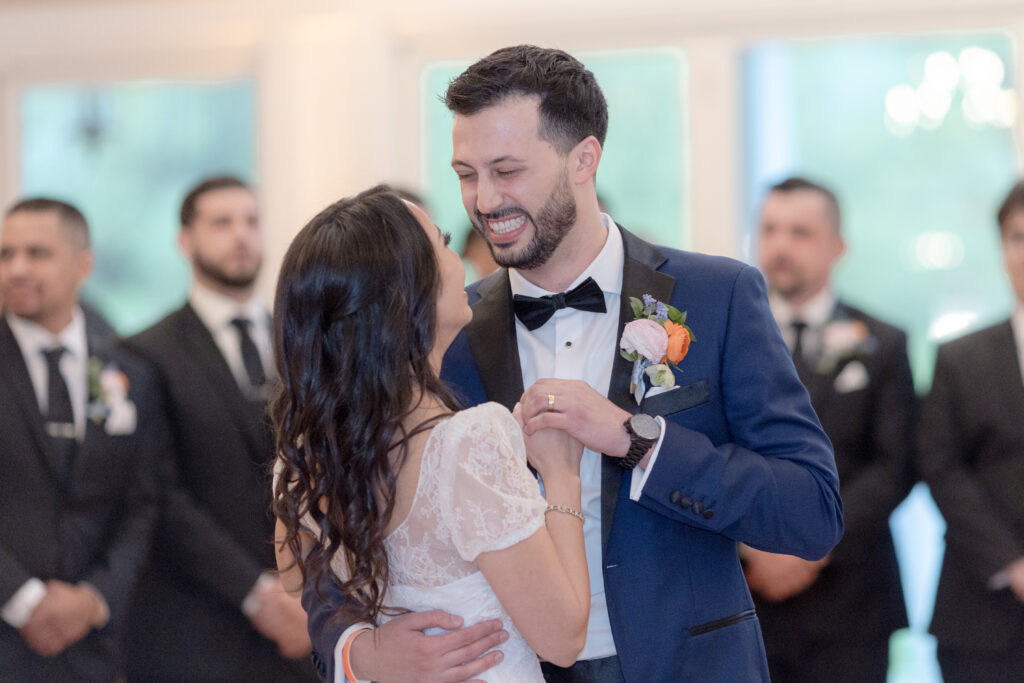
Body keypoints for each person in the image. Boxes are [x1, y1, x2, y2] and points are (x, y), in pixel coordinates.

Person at [304, 45, 843, 683]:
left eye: (507, 170)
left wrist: (635, 438)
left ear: (583, 159)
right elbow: (333, 500)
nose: (483, 200)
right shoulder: (440, 326)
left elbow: (812, 510)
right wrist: (355, 650)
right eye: (466, 174)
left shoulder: (716, 296)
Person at [272, 185, 592, 683]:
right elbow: (564, 638)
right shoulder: (467, 442)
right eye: (442, 241)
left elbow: (296, 576)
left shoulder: (310, 452)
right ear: (407, 290)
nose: (460, 253)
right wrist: (562, 474)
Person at [121, 176, 315, 681]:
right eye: (221, 223)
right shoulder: (146, 352)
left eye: (251, 221)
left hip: (308, 616)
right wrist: (258, 594)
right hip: (198, 625)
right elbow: (159, 493)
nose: (241, 236)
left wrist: (304, 591)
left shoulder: (300, 340)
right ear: (185, 241)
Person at [747, 177, 914, 681]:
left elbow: (896, 465)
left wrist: (811, 547)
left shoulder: (882, 343)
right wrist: (751, 545)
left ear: (837, 246)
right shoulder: (723, 338)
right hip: (744, 594)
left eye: (800, 232)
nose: (780, 245)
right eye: (770, 229)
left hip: (851, 598)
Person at [0, 198, 161, 681]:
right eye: (6, 254)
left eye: (37, 253)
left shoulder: (126, 367)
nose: (17, 268)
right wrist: (24, 600)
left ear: (83, 265)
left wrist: (95, 599)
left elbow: (145, 501)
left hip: (95, 646)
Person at [917, 179, 1024, 681]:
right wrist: (1010, 561)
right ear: (1002, 247)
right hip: (980, 616)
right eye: (1018, 237)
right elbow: (940, 466)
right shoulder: (959, 359)